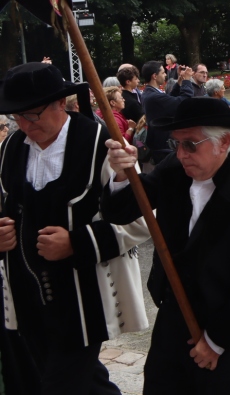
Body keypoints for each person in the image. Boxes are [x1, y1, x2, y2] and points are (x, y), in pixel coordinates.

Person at [103, 98, 230, 395]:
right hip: (173, 318)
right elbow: (121, 210)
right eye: (176, 143)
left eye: (190, 144)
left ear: (223, 142)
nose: (180, 154)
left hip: (226, 330)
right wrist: (123, 174)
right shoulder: (174, 169)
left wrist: (216, 342)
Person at [0, 63, 150, 395]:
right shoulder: (10, 148)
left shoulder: (103, 145)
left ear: (60, 103)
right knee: (85, 385)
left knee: (59, 386)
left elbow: (142, 220)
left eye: (33, 114)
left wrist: (77, 242)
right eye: (16, 116)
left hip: (83, 301)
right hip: (26, 298)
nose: (24, 124)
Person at [141, 59, 195, 165]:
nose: (165, 75)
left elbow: (169, 100)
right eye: (162, 73)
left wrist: (180, 81)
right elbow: (184, 102)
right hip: (163, 148)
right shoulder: (153, 96)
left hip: (160, 145)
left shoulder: (150, 92)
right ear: (154, 76)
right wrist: (187, 81)